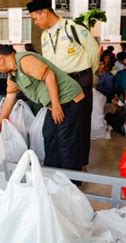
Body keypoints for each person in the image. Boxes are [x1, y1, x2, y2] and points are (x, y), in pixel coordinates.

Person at [0, 44, 85, 184]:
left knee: (66, 141)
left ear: (1, 58)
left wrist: (56, 105)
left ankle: (70, 184)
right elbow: (9, 99)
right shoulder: (13, 75)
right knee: (49, 136)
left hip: (68, 100)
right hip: (54, 104)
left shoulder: (25, 60)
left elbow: (50, 76)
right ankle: (52, 178)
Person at [27, 0, 100, 171]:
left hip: (79, 81)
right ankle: (58, 167)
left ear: (44, 12)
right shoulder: (45, 36)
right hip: (56, 83)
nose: (35, 23)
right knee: (54, 126)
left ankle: (79, 164)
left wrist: (84, 74)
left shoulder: (73, 28)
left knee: (80, 125)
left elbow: (94, 52)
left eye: (35, 18)